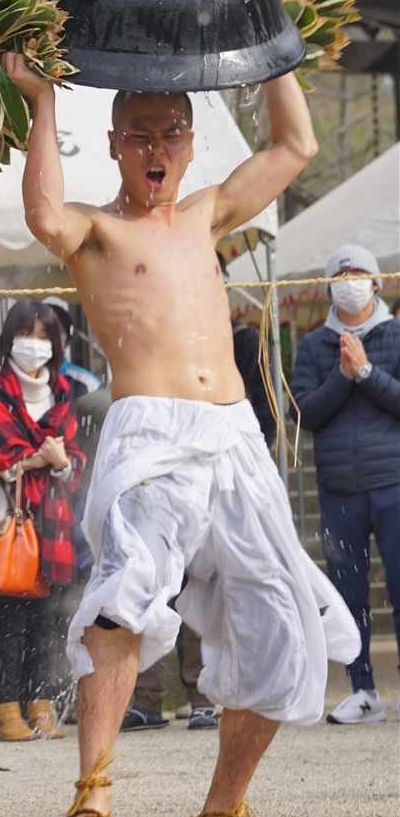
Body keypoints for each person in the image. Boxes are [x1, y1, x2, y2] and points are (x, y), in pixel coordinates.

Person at [3, 50, 360, 817]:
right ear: (115, 145)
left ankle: (221, 814)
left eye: (172, 132)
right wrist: (42, 101)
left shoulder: (207, 213)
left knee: (282, 616)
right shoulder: (100, 229)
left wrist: (276, 49)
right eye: (140, 134)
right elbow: (46, 217)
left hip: (233, 433)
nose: (157, 146)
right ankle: (92, 801)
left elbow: (296, 146)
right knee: (126, 594)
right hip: (150, 432)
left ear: (192, 145)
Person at [123, 259, 277, 733]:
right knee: (151, 582)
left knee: (205, 586)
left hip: (222, 474)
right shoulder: (151, 338)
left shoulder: (244, 341)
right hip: (161, 474)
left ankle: (204, 696)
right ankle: (145, 698)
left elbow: (265, 419)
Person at [0, 300, 85, 741]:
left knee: (48, 622)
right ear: (9, 338)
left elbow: (74, 460)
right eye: (26, 333)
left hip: (54, 521)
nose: (35, 344)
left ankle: (41, 705)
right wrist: (44, 458)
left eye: (44, 335)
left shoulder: (64, 393)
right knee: (11, 621)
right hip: (9, 519)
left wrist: (60, 463)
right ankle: (7, 711)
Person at [291, 245, 400, 725]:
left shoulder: (396, 335)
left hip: (393, 480)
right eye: (339, 275)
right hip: (338, 487)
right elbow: (306, 412)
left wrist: (367, 372)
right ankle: (363, 691)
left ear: (376, 283)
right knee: (348, 594)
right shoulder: (313, 346)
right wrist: (343, 374)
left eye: (357, 273)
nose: (348, 281)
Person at [49, 303, 102, 400]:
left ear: (67, 342)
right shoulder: (19, 381)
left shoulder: (87, 384)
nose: (47, 338)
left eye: (55, 331)